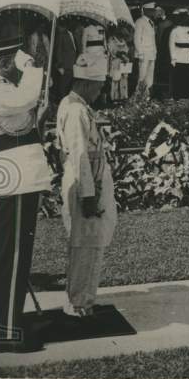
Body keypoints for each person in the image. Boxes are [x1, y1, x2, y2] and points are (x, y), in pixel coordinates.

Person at [0, 35, 53, 353]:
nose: (18, 64)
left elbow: (22, 122)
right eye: (16, 60)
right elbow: (26, 97)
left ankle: (10, 324)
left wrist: (39, 111)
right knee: (13, 258)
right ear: (6, 62)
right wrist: (33, 67)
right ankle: (6, 333)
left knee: (14, 258)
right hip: (15, 181)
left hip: (17, 179)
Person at [55, 49, 118, 318]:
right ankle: (79, 303)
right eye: (99, 86)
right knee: (86, 245)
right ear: (87, 83)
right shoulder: (76, 110)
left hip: (87, 178)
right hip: (86, 182)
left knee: (90, 243)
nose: (100, 92)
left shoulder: (74, 105)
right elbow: (80, 154)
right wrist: (88, 195)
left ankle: (82, 299)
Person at [168, 15, 189, 99]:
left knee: (188, 79)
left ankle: (187, 96)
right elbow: (171, 45)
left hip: (188, 57)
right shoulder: (175, 30)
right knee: (178, 79)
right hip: (179, 57)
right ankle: (177, 96)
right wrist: (173, 58)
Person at [132, 2, 157, 98]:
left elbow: (152, 39)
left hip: (151, 53)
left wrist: (155, 51)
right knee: (142, 76)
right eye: (152, 10)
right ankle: (138, 96)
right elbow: (136, 38)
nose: (153, 12)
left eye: (154, 10)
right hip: (144, 53)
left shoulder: (151, 23)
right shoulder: (139, 21)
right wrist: (140, 53)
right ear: (146, 10)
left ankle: (147, 97)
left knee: (150, 77)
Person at [52, 19, 78, 104]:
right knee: (63, 86)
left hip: (71, 65)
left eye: (59, 27)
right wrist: (60, 65)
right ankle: (62, 103)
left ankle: (66, 103)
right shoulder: (61, 35)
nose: (58, 29)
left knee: (68, 85)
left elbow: (74, 49)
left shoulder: (70, 34)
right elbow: (58, 51)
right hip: (65, 66)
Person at [107, 28, 130, 103]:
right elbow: (112, 51)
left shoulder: (123, 40)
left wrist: (125, 56)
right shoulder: (112, 39)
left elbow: (126, 49)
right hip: (115, 62)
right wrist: (121, 55)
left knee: (124, 80)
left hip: (124, 62)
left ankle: (123, 97)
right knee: (115, 80)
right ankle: (115, 98)